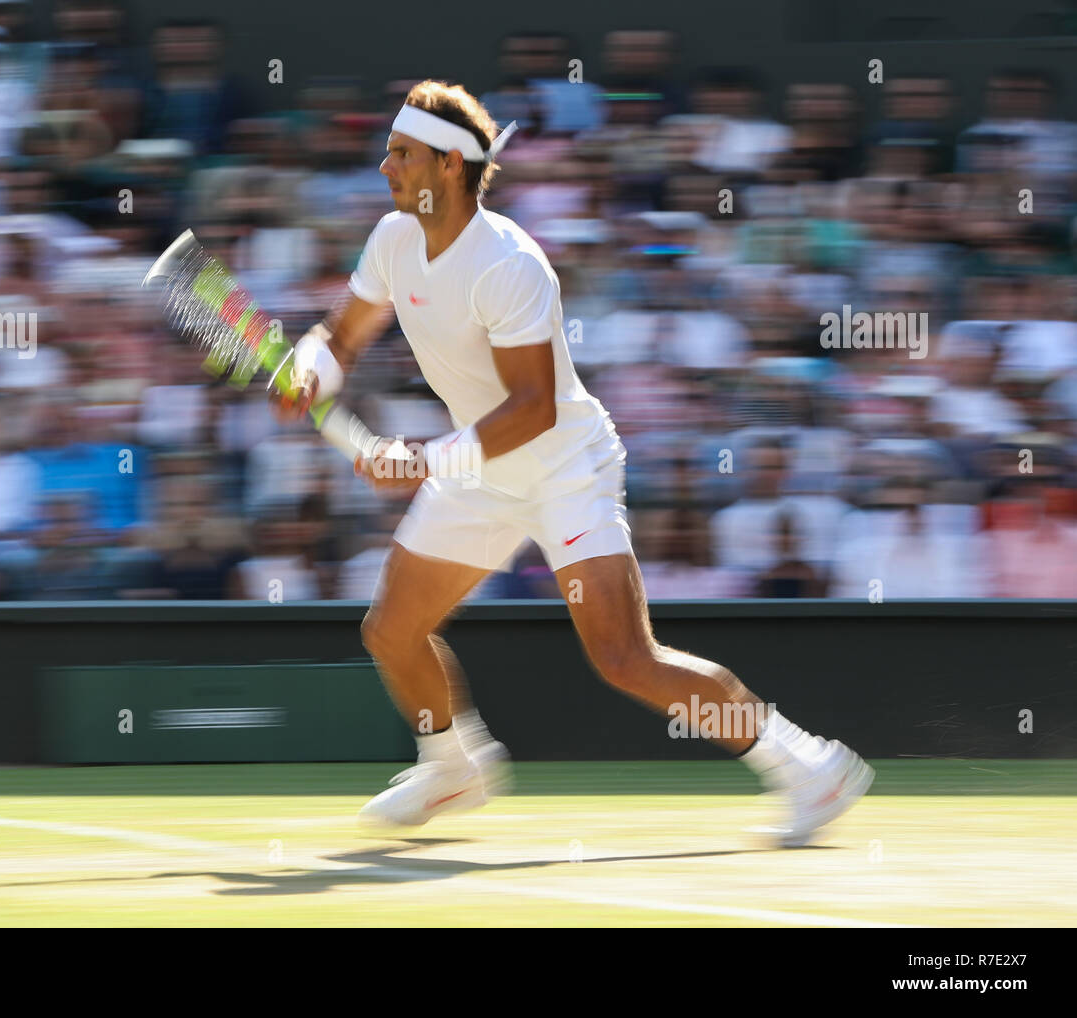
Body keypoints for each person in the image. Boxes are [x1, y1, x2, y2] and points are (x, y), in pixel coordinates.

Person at [271, 80, 872, 846]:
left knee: (625, 657)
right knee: (392, 629)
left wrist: (421, 460)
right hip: (479, 470)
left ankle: (808, 769)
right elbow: (343, 335)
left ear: (451, 166)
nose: (383, 166)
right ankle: (454, 766)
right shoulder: (393, 238)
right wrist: (312, 366)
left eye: (401, 153)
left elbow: (534, 408)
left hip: (563, 468)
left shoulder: (511, 264)